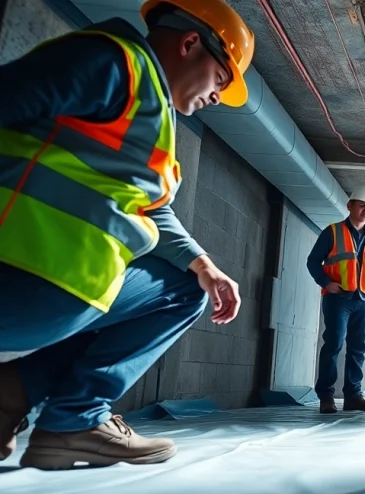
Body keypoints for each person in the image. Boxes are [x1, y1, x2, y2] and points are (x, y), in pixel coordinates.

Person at [0, 0, 256, 469]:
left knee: (187, 285)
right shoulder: (112, 61)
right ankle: (75, 418)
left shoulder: (152, 107)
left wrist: (204, 265)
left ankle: (11, 400)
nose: (218, 97)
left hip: (57, 286)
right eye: (221, 78)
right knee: (179, 293)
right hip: (20, 276)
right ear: (190, 43)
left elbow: (150, 208)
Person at [306, 186, 365, 414]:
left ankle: (353, 396)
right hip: (338, 299)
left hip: (363, 300)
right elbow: (313, 262)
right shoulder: (332, 232)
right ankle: (326, 397)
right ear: (350, 206)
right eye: (362, 205)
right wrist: (326, 283)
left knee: (358, 348)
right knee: (333, 345)